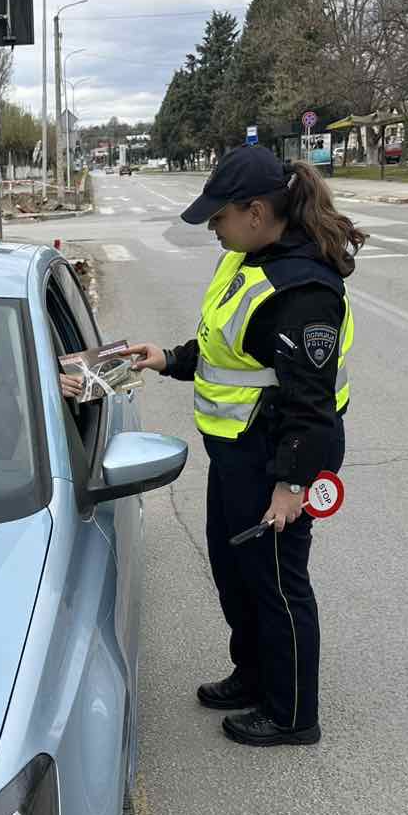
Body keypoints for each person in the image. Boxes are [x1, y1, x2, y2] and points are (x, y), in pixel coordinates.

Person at [125, 146, 360, 747]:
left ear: (256, 212)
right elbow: (227, 351)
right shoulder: (246, 259)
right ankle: (253, 674)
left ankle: (292, 714)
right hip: (236, 454)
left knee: (278, 584)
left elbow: (310, 406)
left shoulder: (303, 290)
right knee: (236, 573)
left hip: (275, 458)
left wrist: (291, 486)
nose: (212, 228)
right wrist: (169, 359)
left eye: (218, 217)